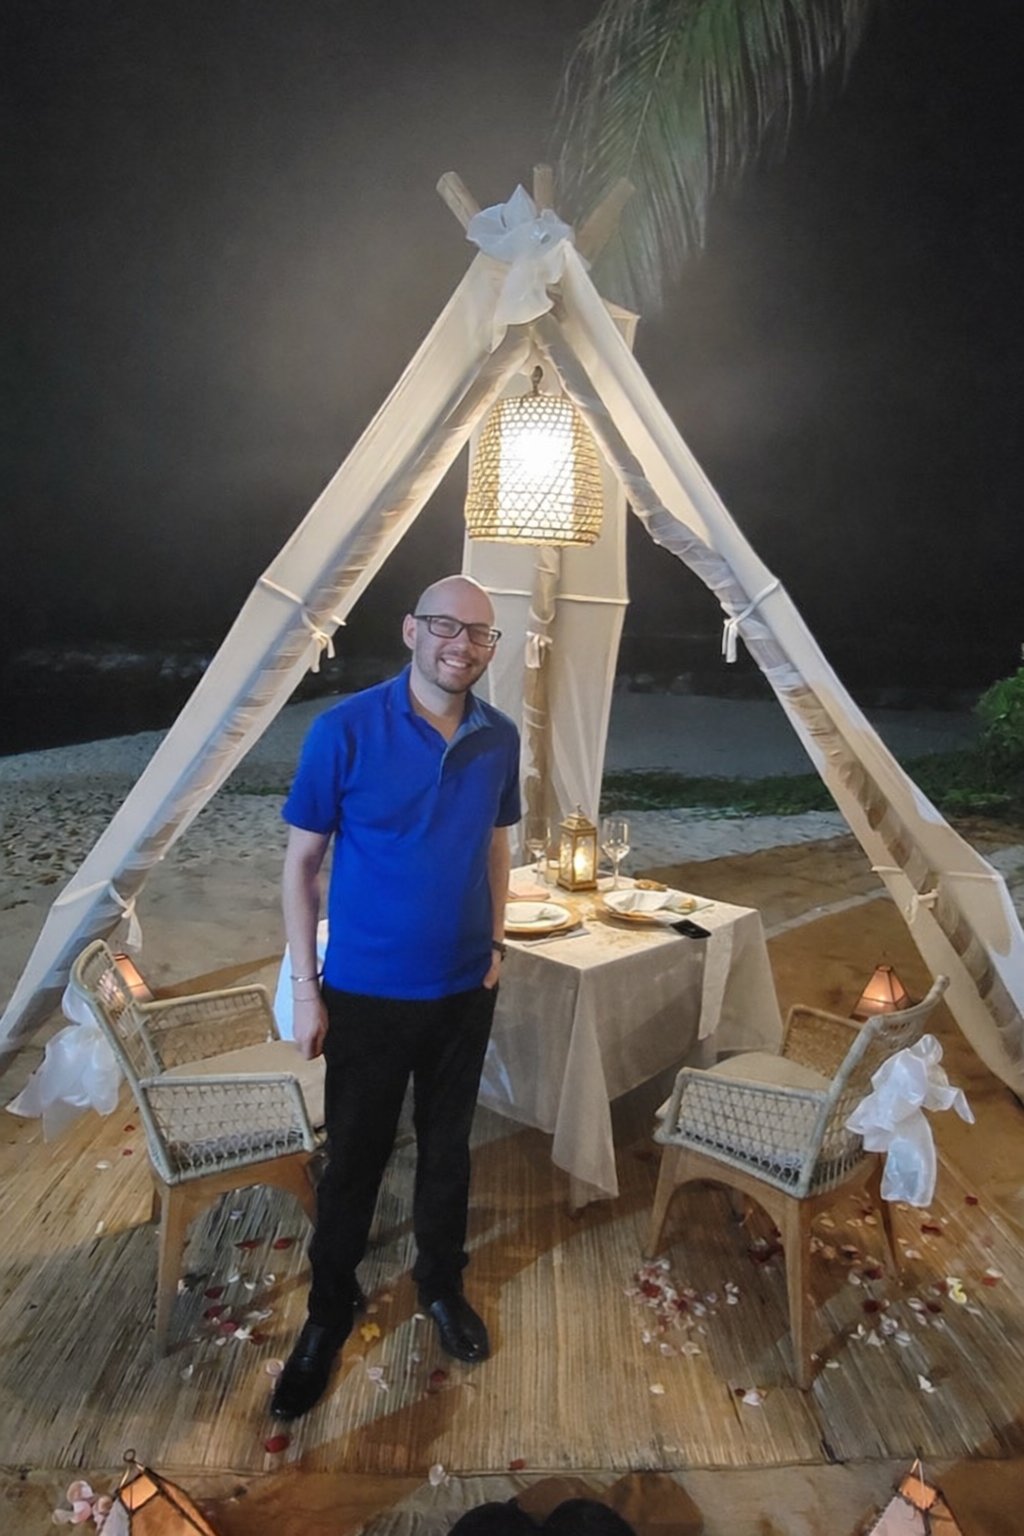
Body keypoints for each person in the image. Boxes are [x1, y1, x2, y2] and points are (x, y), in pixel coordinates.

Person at [270, 574, 520, 1421]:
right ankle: (326, 1309)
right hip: (368, 992)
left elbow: (495, 847)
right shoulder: (342, 729)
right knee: (358, 1161)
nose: (464, 645)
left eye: (481, 634)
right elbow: (301, 867)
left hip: (462, 988)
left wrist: (494, 944)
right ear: (412, 630)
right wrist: (307, 989)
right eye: (447, 626)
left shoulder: (500, 737)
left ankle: (439, 1286)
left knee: (450, 1152)